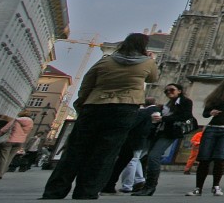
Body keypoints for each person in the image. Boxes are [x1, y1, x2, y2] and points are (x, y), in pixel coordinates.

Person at [41, 33, 159, 201]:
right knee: (105, 153)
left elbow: (87, 83)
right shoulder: (147, 63)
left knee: (75, 150)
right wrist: (149, 59)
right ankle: (87, 191)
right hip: (124, 109)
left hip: (94, 106)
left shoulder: (106, 60)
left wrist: (82, 103)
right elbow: (153, 78)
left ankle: (54, 191)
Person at [134, 82, 195, 196]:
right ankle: (143, 185)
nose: (168, 92)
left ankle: (150, 187)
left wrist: (163, 118)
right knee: (147, 157)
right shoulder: (168, 104)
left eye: (171, 90)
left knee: (153, 156)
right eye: (166, 91)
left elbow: (185, 116)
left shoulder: (184, 102)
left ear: (179, 91)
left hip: (169, 133)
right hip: (158, 132)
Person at [102, 99, 158, 194]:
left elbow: (133, 125)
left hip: (132, 140)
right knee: (134, 160)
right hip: (140, 140)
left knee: (130, 161)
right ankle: (138, 180)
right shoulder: (151, 111)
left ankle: (127, 184)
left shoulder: (143, 112)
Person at [0, 111, 33, 179]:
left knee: (3, 157)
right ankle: (2, 173)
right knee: (10, 158)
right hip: (20, 142)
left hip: (10, 140)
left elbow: (5, 129)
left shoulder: (16, 120)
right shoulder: (31, 122)